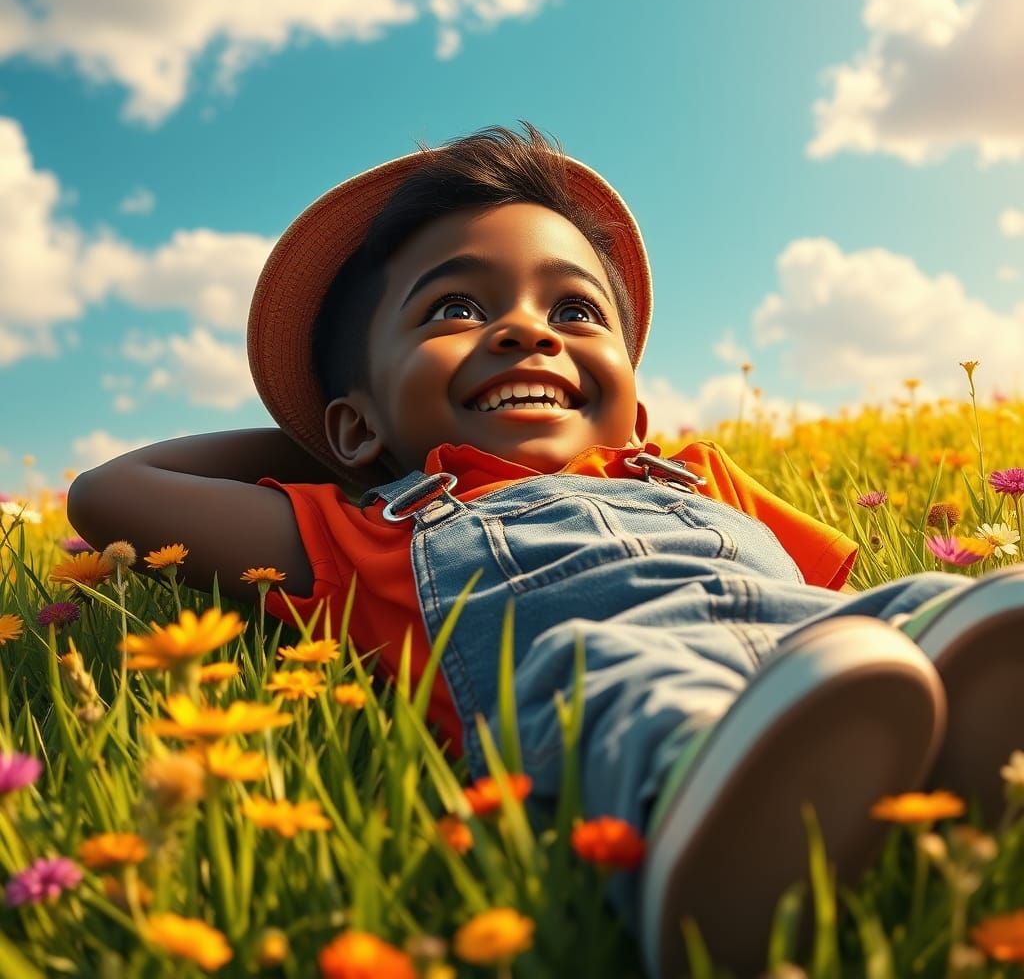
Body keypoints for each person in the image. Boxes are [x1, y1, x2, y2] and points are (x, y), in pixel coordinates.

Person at [67, 122, 1024, 978]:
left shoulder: (690, 471)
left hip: (826, 664)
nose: (527, 329)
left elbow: (835, 594)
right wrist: (337, 447)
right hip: (641, 698)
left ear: (634, 403)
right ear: (357, 428)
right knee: (617, 679)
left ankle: (948, 735)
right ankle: (711, 815)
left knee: (919, 616)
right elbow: (110, 493)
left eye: (575, 313)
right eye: (453, 310)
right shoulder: (375, 531)